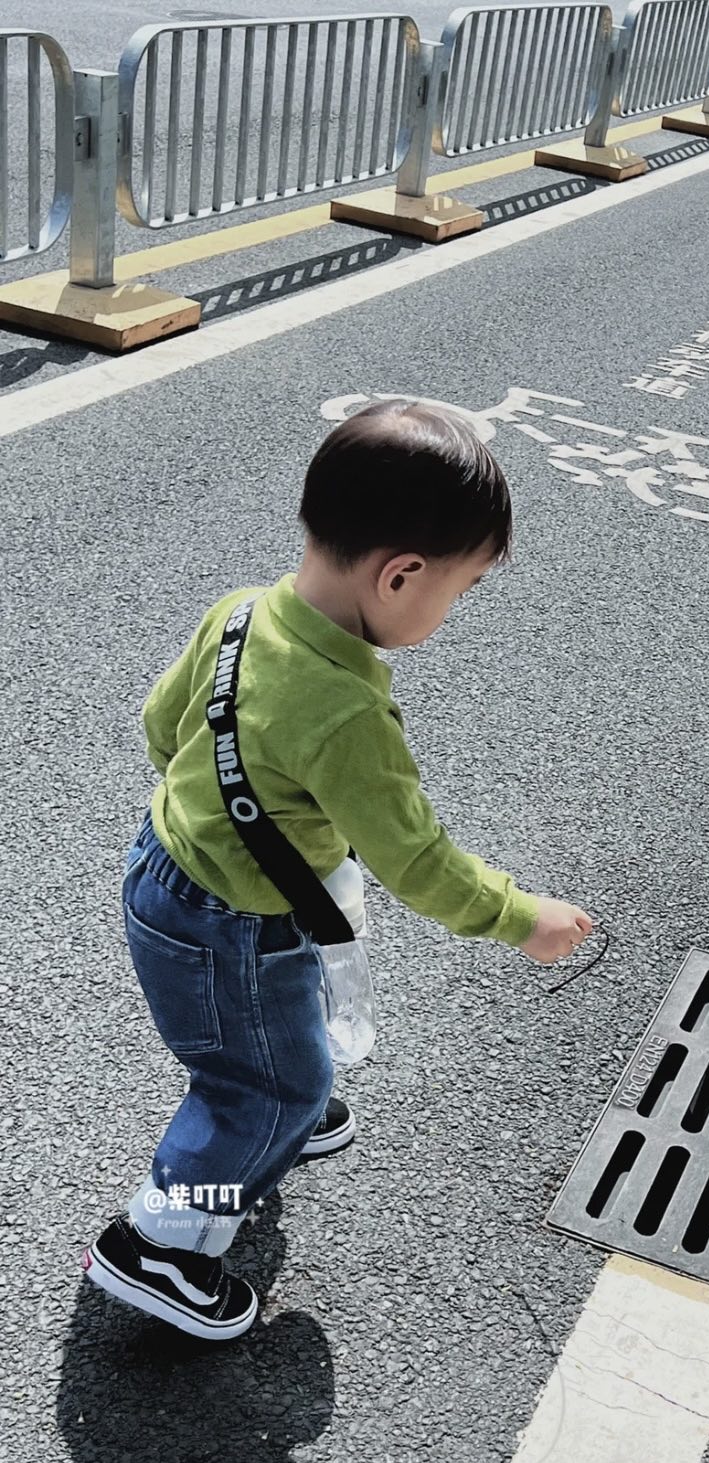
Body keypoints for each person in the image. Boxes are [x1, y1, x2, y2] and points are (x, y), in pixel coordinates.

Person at [82, 399, 593, 1341]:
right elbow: (416, 860)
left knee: (264, 1045)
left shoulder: (241, 611)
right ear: (401, 574)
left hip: (161, 868)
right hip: (232, 923)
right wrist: (524, 917)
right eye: (461, 589)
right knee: (259, 1085)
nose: (453, 610)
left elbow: (162, 725)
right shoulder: (348, 712)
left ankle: (280, 1106)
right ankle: (161, 1241)